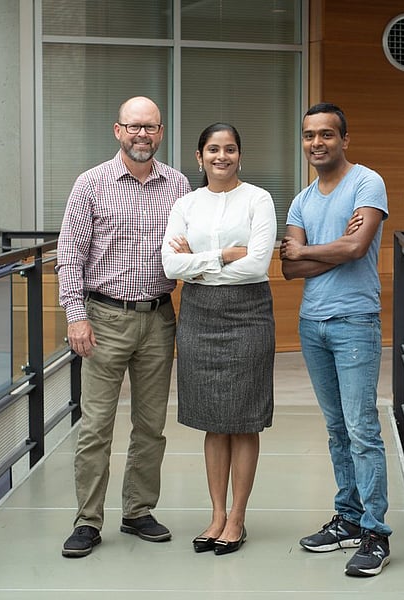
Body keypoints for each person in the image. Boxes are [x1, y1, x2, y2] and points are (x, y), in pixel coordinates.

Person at [56, 96, 191, 558]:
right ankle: (87, 521)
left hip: (159, 317)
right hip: (104, 319)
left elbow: (189, 248)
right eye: (134, 127)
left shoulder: (178, 184)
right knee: (96, 426)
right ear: (118, 131)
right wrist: (75, 315)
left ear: (160, 132)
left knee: (151, 426)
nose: (142, 135)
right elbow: (69, 256)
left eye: (150, 128)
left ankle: (137, 511)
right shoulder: (90, 184)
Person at [280, 102, 392, 577]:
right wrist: (329, 251)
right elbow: (289, 267)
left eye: (327, 135)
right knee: (336, 430)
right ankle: (346, 517)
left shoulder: (367, 183)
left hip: (355, 322)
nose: (317, 143)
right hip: (313, 324)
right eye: (309, 135)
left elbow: (357, 246)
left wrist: (312, 250)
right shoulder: (301, 199)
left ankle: (375, 533)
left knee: (363, 430)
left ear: (344, 139)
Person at [161, 123, 276, 556]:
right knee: (213, 419)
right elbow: (170, 266)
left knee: (243, 418)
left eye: (229, 149)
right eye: (213, 149)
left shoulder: (258, 199)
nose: (221, 156)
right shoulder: (186, 203)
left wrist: (198, 262)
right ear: (199, 156)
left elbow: (258, 264)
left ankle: (238, 517)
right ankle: (215, 515)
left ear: (239, 155)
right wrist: (225, 255)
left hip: (249, 313)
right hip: (198, 316)